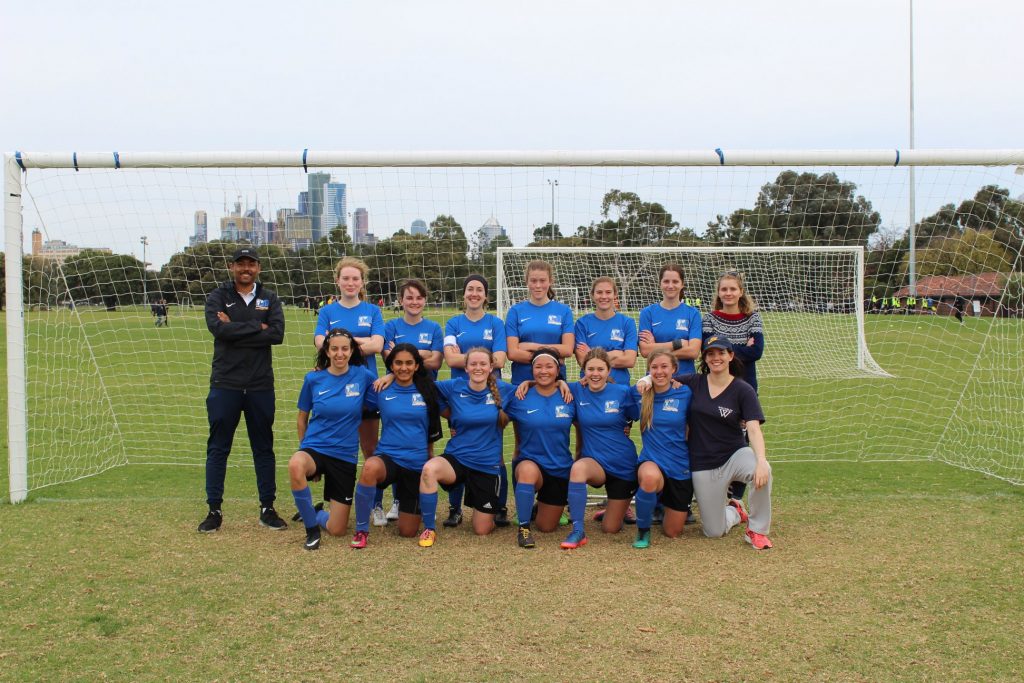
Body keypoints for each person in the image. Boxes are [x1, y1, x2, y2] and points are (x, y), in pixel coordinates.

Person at [198, 247, 286, 533]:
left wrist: (235, 326)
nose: (245, 268)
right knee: (218, 448)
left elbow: (276, 334)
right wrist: (255, 328)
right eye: (240, 264)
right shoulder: (218, 296)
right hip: (226, 383)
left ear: (258, 267)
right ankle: (214, 509)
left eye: (251, 264)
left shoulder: (269, 297)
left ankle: (267, 508)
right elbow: (219, 330)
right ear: (231, 266)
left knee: (263, 448)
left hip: (260, 384)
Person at [416, 348, 518, 547]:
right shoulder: (454, 386)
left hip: (486, 465)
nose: (478, 368)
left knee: (482, 530)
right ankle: (429, 528)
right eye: (473, 364)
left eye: (482, 364)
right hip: (457, 459)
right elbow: (425, 386)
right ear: (466, 367)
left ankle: (488, 508)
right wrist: (450, 415)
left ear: (491, 367)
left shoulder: (505, 389)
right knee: (429, 469)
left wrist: (556, 383)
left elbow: (534, 389)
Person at [681, 336, 773, 549]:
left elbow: (753, 428)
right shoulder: (694, 382)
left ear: (731, 356)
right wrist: (646, 380)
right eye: (710, 354)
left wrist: (760, 460)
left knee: (764, 471)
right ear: (705, 358)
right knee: (714, 532)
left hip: (735, 455)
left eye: (721, 353)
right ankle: (735, 511)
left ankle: (757, 530)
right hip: (703, 463)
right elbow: (663, 377)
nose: (716, 358)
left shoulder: (743, 389)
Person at [288, 328, 376, 550]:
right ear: (326, 351)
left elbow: (383, 388)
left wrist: (392, 375)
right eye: (334, 349)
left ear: (352, 351)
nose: (340, 353)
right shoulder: (313, 378)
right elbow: (302, 419)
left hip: (344, 455)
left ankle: (315, 513)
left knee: (337, 530)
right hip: (315, 448)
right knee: (296, 464)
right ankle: (311, 530)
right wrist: (303, 449)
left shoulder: (362, 376)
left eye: (344, 349)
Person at [313, 257, 386, 522]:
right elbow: (320, 342)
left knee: (370, 449)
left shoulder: (372, 311)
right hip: (335, 389)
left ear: (362, 282)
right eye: (346, 278)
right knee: (336, 449)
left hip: (367, 388)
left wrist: (342, 343)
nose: (351, 283)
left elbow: (378, 344)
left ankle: (376, 504)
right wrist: (358, 342)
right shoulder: (328, 312)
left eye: (355, 278)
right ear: (338, 281)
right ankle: (335, 505)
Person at [350, 344, 443, 549]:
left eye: (409, 363)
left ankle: (420, 518)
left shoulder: (428, 390)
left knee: (408, 532)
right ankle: (362, 530)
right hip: (388, 458)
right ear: (391, 365)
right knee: (370, 467)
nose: (404, 368)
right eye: (398, 363)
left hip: (416, 463)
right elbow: (353, 396)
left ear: (417, 366)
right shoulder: (380, 389)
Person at [442, 274, 509, 528]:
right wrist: (484, 359)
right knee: (457, 449)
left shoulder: (495, 323)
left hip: (491, 395)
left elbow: (500, 361)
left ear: (486, 295)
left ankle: (499, 506)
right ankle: (454, 508)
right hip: (460, 396)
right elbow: (449, 359)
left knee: (496, 453)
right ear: (464, 294)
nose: (474, 294)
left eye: (479, 290)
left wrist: (467, 359)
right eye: (470, 289)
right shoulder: (454, 323)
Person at [560, 348, 640, 549]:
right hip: (595, 463)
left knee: (610, 528)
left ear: (608, 371)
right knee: (578, 469)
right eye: (590, 369)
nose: (595, 374)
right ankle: (578, 530)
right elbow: (547, 383)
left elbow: (635, 415)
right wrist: (557, 382)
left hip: (623, 465)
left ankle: (613, 510)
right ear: (583, 370)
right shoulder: (576, 390)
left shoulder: (623, 392)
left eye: (600, 369)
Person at [379, 278, 444, 521]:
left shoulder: (435, 328)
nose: (414, 302)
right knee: (397, 445)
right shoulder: (391, 326)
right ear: (400, 301)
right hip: (397, 392)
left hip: (426, 393)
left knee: (425, 447)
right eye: (409, 297)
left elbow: (436, 361)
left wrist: (406, 352)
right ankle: (397, 501)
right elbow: (390, 358)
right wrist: (423, 352)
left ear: (424, 300)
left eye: (418, 297)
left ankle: (420, 497)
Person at [702, 270, 765, 505]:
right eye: (724, 289)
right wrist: (739, 349)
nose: (728, 293)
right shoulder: (709, 318)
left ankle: (736, 496)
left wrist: (725, 350)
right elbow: (708, 351)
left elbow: (756, 352)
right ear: (719, 293)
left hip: (745, 384)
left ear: (740, 292)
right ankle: (716, 485)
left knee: (743, 435)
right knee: (717, 431)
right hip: (716, 384)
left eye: (733, 289)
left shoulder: (753, 317)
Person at [504, 348, 576, 548]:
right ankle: (524, 528)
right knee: (527, 470)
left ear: (558, 368)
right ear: (532, 369)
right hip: (530, 462)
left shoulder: (570, 393)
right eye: (538, 367)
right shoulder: (519, 394)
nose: (543, 371)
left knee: (546, 527)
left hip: (560, 467)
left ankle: (534, 508)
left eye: (549, 366)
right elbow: (497, 420)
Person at [630, 350, 694, 549]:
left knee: (672, 532)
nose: (659, 371)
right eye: (654, 367)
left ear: (674, 369)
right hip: (652, 461)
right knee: (649, 478)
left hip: (679, 465)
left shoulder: (684, 392)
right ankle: (643, 530)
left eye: (664, 366)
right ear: (648, 370)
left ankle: (664, 505)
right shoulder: (638, 393)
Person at [638, 262, 702, 374]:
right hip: (656, 377)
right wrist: (677, 344)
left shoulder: (693, 313)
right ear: (660, 284)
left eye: (675, 281)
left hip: (685, 380)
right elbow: (644, 351)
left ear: (682, 284)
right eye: (666, 281)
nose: (670, 286)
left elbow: (693, 352)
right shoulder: (647, 313)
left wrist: (656, 350)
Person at [573, 276, 638, 387]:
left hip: (620, 386)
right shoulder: (582, 323)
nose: (604, 296)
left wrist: (592, 355)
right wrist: (617, 353)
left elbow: (630, 360)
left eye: (608, 292)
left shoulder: (627, 323)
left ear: (615, 295)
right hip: (590, 386)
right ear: (593, 295)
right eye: (599, 292)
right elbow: (583, 361)